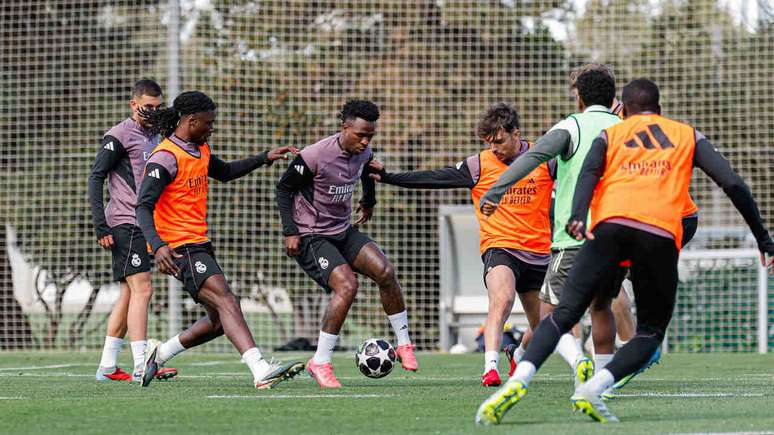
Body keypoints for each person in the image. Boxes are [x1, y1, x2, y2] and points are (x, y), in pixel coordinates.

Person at [476, 78, 774, 425]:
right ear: (657, 110)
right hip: (659, 235)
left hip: (606, 231)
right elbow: (733, 183)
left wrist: (575, 215)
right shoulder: (685, 134)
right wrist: (763, 238)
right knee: (648, 332)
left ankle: (518, 380)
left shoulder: (612, 134)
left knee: (561, 315)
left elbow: (588, 170)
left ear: (627, 110)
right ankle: (598, 386)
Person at [369, 103, 578, 387]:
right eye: (489, 143)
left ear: (516, 133)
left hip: (539, 253)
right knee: (501, 300)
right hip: (500, 247)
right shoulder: (478, 165)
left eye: (500, 141)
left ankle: (517, 352)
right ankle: (490, 368)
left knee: (544, 326)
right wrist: (388, 176)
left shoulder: (545, 159)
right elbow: (433, 178)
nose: (494, 148)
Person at [135, 90, 302, 389]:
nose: (212, 128)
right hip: (178, 247)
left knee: (217, 321)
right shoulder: (165, 157)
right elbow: (142, 206)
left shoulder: (200, 149)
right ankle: (260, 369)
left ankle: (160, 353)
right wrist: (158, 245)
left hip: (198, 242)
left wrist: (264, 158)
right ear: (191, 120)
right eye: (208, 123)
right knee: (227, 301)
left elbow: (224, 172)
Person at [480, 69, 623, 383]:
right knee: (602, 308)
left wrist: (496, 189)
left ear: (579, 97)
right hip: (617, 237)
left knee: (548, 319)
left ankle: (554, 368)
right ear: (612, 97)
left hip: (572, 239)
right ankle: (603, 381)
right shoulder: (625, 128)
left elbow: (532, 158)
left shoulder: (571, 126)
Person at [276, 100, 417, 389]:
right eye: (360, 135)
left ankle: (404, 344)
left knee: (385, 272)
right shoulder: (314, 155)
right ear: (344, 128)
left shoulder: (363, 150)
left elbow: (366, 170)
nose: (365, 142)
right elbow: (284, 187)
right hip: (312, 235)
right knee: (347, 285)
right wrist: (290, 231)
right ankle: (321, 361)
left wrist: (369, 200)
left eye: (370, 136)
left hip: (342, 230)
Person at [88, 78, 177, 383]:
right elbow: (95, 177)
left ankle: (107, 366)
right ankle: (141, 364)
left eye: (158, 106)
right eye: (148, 106)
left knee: (129, 294)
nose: (153, 111)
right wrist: (101, 225)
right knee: (144, 289)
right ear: (134, 104)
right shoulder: (119, 135)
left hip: (146, 224)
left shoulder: (156, 137)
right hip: (125, 222)